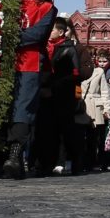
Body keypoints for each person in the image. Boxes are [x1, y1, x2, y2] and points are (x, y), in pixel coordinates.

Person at [0, 0, 57, 179]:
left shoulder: (47, 8)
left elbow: (37, 35)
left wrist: (7, 38)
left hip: (30, 65)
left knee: (22, 111)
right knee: (0, 110)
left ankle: (14, 158)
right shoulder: (9, 4)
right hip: (5, 64)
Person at [35, 14, 81, 175]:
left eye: (52, 29)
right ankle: (45, 162)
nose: (49, 32)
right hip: (45, 94)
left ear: (61, 32)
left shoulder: (68, 49)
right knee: (46, 129)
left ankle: (68, 161)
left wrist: (54, 85)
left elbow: (75, 74)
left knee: (64, 130)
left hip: (63, 96)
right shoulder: (44, 47)